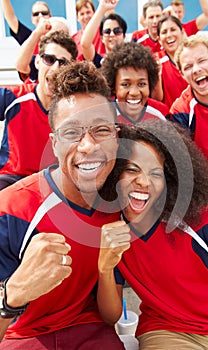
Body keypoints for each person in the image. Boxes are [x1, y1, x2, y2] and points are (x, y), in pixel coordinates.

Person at [0, 61, 125, 349]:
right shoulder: (12, 209)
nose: (87, 146)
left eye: (101, 130)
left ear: (116, 137)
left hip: (91, 330)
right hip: (22, 336)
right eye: (72, 133)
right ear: (54, 144)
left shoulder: (123, 204)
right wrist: (14, 293)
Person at [98, 119, 208, 350]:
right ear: (115, 173)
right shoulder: (111, 231)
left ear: (169, 183)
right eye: (132, 169)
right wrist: (105, 267)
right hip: (167, 330)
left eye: (156, 174)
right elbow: (111, 316)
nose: (143, 182)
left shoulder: (201, 224)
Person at [0, 30, 77, 190]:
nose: (56, 68)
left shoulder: (74, 108)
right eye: (49, 59)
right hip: (11, 181)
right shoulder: (13, 97)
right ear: (37, 62)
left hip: (51, 185)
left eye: (63, 63)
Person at [170, 34, 208, 186]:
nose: (196, 69)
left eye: (202, 61)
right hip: (207, 185)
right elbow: (181, 163)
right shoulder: (180, 111)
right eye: (188, 66)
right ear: (182, 74)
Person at [101, 41, 169, 124]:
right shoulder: (104, 118)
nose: (134, 92)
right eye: (125, 84)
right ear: (114, 87)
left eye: (141, 84)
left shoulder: (159, 115)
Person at [15, 17, 71, 83]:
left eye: (62, 35)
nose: (57, 39)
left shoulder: (72, 61)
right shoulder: (40, 59)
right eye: (52, 35)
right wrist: (37, 32)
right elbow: (20, 66)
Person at [151, 15, 188, 108]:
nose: (169, 35)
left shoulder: (193, 58)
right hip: (168, 119)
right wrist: (157, 76)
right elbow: (157, 99)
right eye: (164, 32)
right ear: (159, 39)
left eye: (173, 30)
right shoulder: (156, 60)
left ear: (182, 32)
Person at [81, 0, 126, 68]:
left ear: (124, 36)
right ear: (102, 38)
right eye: (107, 31)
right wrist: (102, 8)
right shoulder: (100, 61)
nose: (112, 34)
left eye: (117, 31)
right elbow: (85, 44)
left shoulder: (132, 61)